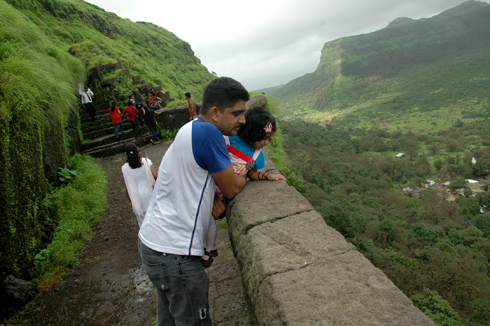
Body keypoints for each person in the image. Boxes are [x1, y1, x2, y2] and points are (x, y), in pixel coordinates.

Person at [138, 77, 250, 326]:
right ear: (215, 112)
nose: (242, 120)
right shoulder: (209, 132)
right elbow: (231, 187)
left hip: (154, 243)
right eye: (237, 113)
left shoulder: (190, 128)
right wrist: (248, 171)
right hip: (174, 252)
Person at [203, 107, 286, 268]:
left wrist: (269, 176)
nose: (267, 143)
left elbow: (252, 173)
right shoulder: (227, 139)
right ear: (252, 134)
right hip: (207, 188)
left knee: (208, 222)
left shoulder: (256, 155)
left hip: (221, 194)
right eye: (265, 138)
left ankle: (209, 249)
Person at [121, 143, 157, 228]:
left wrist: (130, 201)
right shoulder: (147, 162)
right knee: (153, 218)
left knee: (144, 222)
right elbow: (155, 176)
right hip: (149, 194)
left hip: (136, 198)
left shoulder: (125, 168)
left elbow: (127, 186)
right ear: (137, 151)